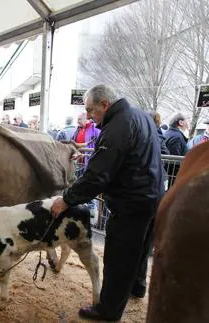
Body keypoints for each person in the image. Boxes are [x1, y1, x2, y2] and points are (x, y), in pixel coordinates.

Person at [50, 85, 163, 321]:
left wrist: (67, 199)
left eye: (91, 110)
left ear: (105, 104)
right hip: (152, 196)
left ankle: (108, 310)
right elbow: (124, 157)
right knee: (140, 250)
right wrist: (91, 156)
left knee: (119, 257)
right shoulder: (140, 116)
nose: (89, 116)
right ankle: (138, 287)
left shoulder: (116, 127)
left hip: (130, 202)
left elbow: (97, 177)